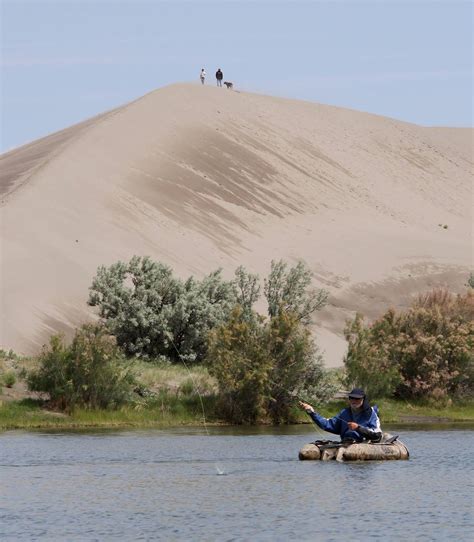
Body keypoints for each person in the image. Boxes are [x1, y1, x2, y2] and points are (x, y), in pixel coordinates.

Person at [299, 388, 382, 443]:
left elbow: (377, 435)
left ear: (363, 399)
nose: (354, 401)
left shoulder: (371, 413)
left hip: (364, 444)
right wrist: (312, 412)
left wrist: (358, 428)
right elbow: (328, 424)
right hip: (346, 443)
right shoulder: (344, 413)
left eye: (357, 399)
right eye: (352, 398)